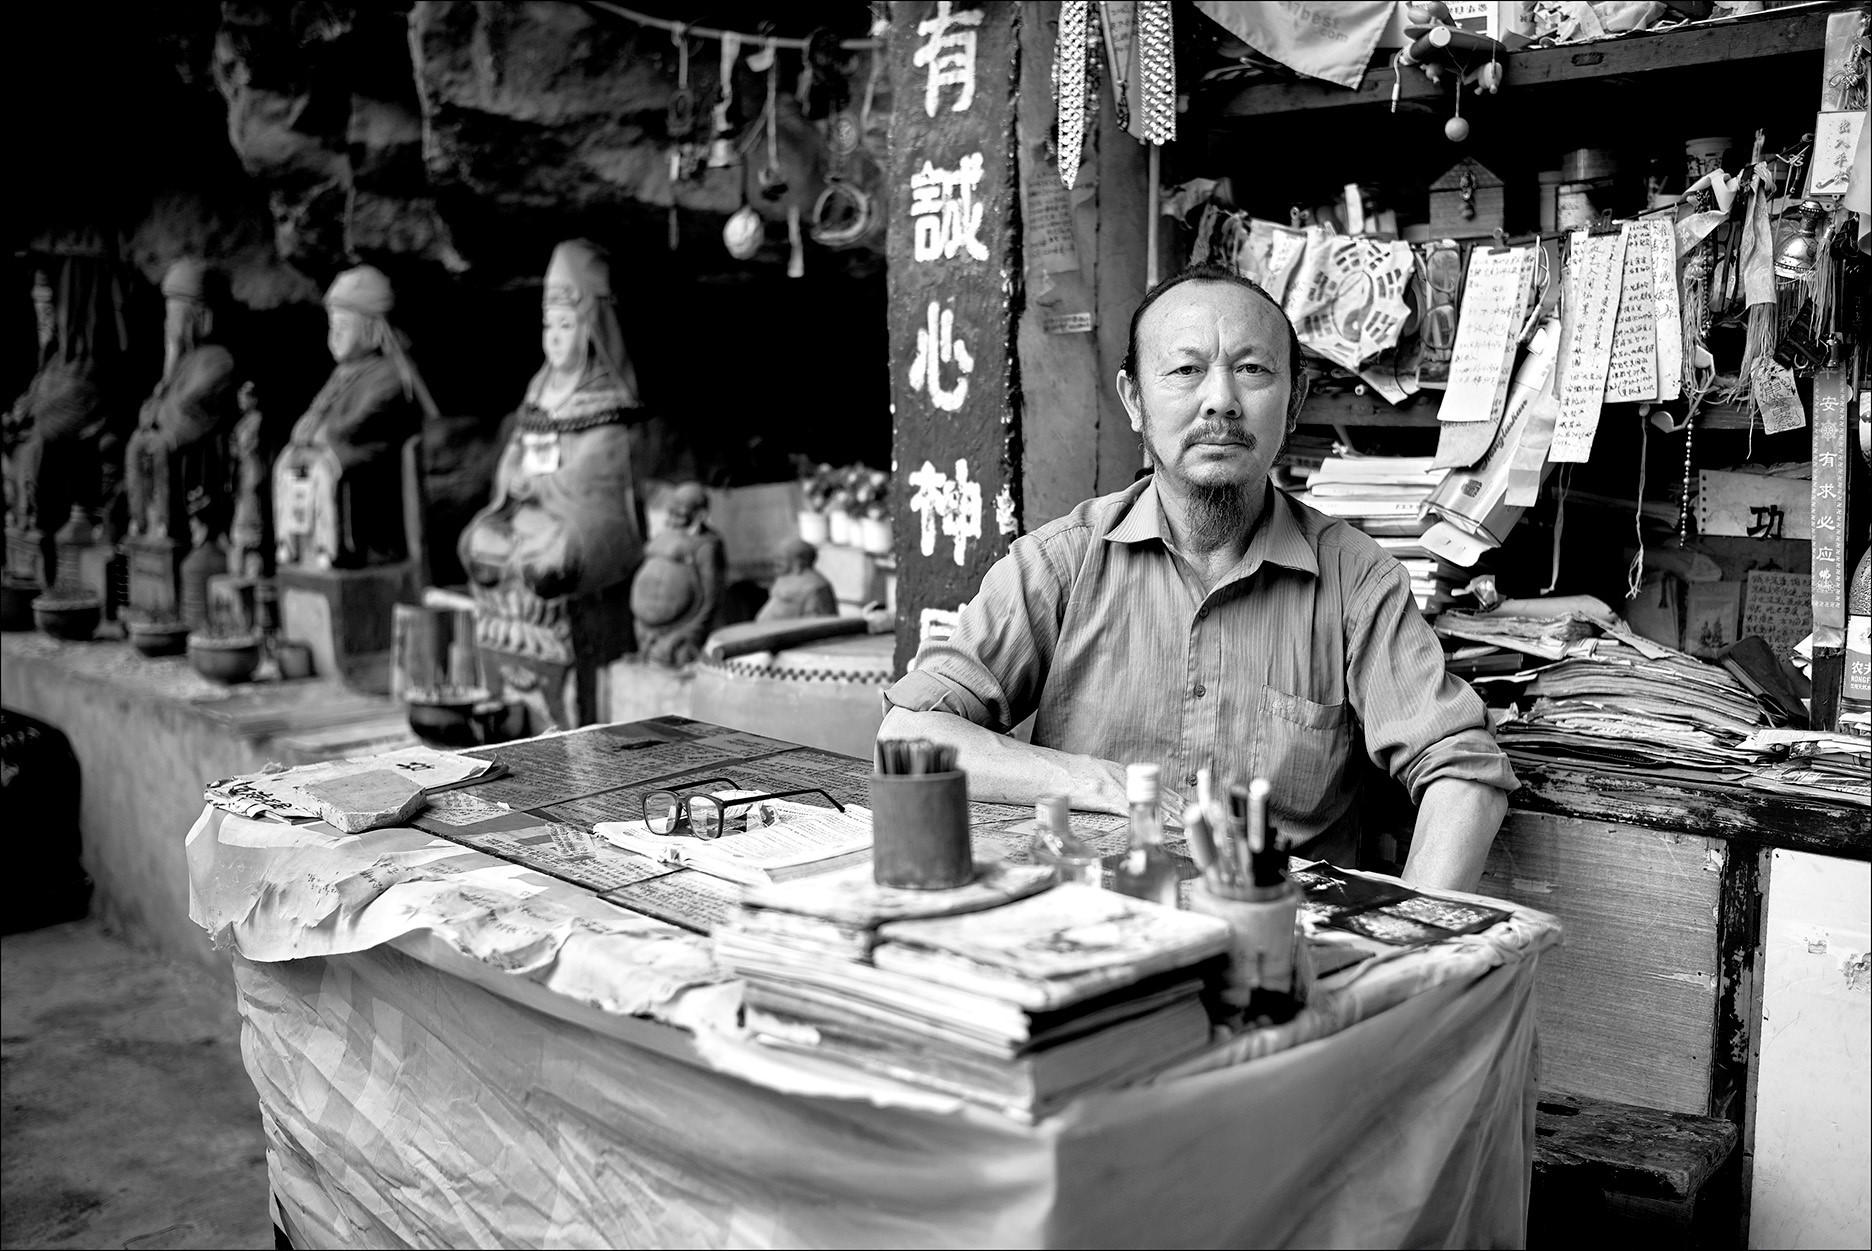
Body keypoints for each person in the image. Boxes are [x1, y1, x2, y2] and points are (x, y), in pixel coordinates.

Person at [879, 262, 1516, 892]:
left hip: (1277, 929)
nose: (1221, 401)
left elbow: (1464, 772)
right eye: (1186, 370)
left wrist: (1414, 933)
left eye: (1252, 370)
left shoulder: (1357, 581)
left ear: (1294, 401)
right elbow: (910, 732)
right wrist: (1106, 785)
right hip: (1092, 923)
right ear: (1134, 400)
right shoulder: (1060, 564)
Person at [459, 238, 646, 603]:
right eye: (548, 327)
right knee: (476, 544)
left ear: (590, 329)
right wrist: (512, 475)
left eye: (565, 326)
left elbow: (596, 469)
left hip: (580, 518)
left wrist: (539, 485)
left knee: (554, 563)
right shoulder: (538, 389)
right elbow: (517, 446)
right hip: (527, 512)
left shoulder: (609, 396)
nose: (554, 339)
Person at [273, 265, 430, 570]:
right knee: (287, 462)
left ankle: (333, 546)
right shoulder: (342, 374)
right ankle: (293, 543)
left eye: (343, 326)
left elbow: (363, 421)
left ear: (371, 328)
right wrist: (307, 428)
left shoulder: (390, 374)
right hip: (338, 447)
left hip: (373, 457)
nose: (334, 336)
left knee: (325, 469)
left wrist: (325, 432)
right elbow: (316, 411)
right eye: (331, 326)